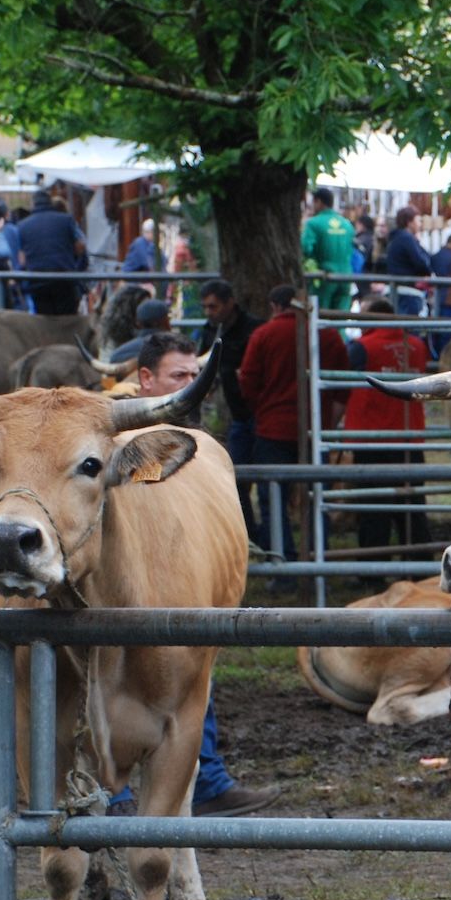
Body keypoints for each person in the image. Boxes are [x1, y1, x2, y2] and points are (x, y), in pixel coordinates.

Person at [103, 331, 278, 819]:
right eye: (179, 376)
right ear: (145, 379)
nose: (190, 387)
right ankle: (111, 791)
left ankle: (207, 778)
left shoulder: (197, 451)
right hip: (119, 594)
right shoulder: (113, 440)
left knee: (194, 669)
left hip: (188, 585)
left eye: (195, 376)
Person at [237, 285, 351, 558]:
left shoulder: (263, 335)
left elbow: (248, 382)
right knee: (316, 496)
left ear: (275, 306)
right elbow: (342, 386)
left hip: (273, 428)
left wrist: (262, 409)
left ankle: (282, 561)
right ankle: (317, 555)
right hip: (314, 428)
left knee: (273, 497)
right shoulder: (329, 336)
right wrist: (327, 421)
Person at [339, 297, 431, 552]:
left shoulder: (362, 347)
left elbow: (343, 387)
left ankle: (372, 570)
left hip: (372, 438)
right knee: (412, 504)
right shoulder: (416, 345)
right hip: (409, 437)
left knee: (372, 507)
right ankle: (419, 564)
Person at [196, 279, 264, 543]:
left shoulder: (255, 330)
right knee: (236, 478)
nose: (208, 313)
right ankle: (249, 537)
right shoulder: (210, 331)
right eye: (205, 307)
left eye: (213, 307)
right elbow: (204, 363)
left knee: (270, 480)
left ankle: (269, 538)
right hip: (238, 416)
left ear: (230, 303)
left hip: (262, 414)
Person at [14, 187, 88, 315]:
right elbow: (80, 247)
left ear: (33, 203)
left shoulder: (22, 225)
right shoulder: (66, 220)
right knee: (67, 320)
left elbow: (22, 259)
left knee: (45, 321)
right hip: (64, 280)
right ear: (50, 201)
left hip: (38, 281)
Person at [301, 189, 360, 312]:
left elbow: (305, 248)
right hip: (345, 277)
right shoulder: (347, 224)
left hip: (323, 277)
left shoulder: (313, 223)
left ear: (318, 202)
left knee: (320, 318)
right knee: (340, 318)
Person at [383, 207, 434, 318]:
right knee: (411, 329)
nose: (420, 224)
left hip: (396, 290)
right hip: (409, 292)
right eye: (418, 220)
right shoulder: (407, 239)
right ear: (409, 222)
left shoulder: (394, 239)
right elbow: (422, 263)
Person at [106, 298, 172, 363]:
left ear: (138, 323)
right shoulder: (174, 349)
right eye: (168, 318)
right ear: (164, 321)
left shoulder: (118, 355)